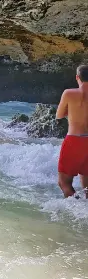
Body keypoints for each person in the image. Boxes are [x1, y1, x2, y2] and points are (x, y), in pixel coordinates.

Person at [56, 65, 88, 197]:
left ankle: (76, 209)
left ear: (77, 77)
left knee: (64, 182)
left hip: (74, 139)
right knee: (87, 185)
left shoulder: (69, 93)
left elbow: (59, 115)